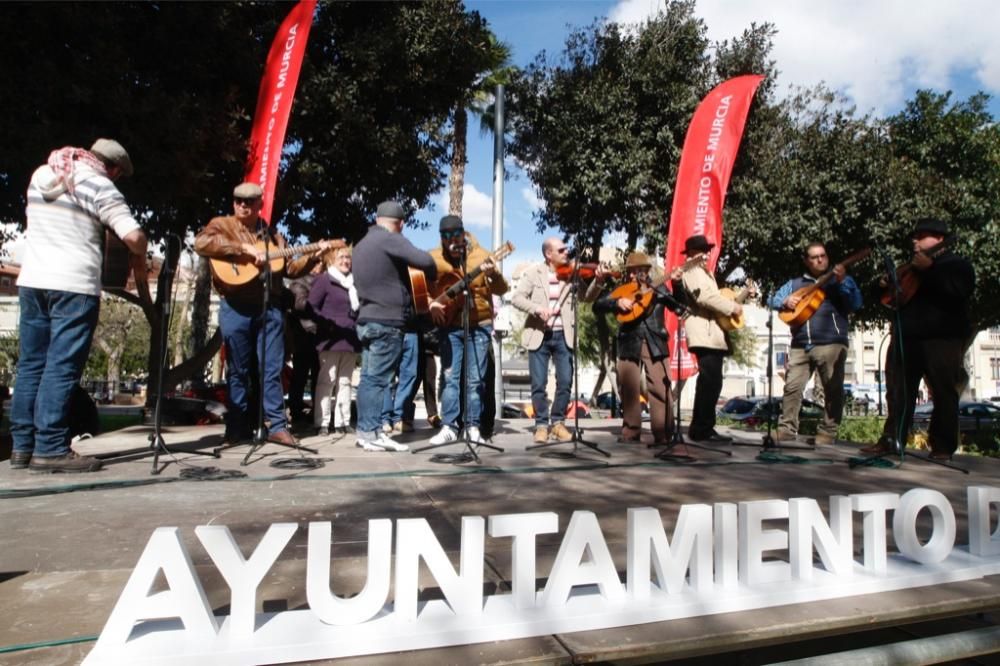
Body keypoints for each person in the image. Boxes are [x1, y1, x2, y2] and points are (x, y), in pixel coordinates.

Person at [11, 139, 149, 473]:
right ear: (113, 169)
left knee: (31, 366)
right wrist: (141, 250)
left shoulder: (42, 174)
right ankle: (51, 448)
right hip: (73, 286)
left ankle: (22, 447)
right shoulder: (99, 185)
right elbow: (132, 235)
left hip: (33, 281)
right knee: (61, 366)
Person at [194, 182, 332, 446]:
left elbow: (290, 269)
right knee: (238, 370)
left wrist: (315, 256)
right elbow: (202, 243)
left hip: (270, 308)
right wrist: (242, 249)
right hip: (235, 306)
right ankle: (236, 427)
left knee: (272, 368)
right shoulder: (222, 225)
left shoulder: (273, 236)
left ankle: (278, 426)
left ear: (259, 205)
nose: (242, 205)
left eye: (248, 201)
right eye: (238, 200)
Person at [863, 218, 975, 460]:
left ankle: (942, 447)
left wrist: (930, 270)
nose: (915, 240)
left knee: (943, 392)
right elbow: (882, 295)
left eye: (922, 236)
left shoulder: (956, 265)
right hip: (907, 337)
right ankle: (892, 440)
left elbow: (958, 290)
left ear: (940, 240)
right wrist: (881, 284)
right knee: (898, 392)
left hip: (941, 339)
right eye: (914, 236)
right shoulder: (909, 267)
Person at [352, 201, 438, 452]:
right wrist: (430, 275)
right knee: (379, 380)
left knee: (368, 379)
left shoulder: (361, 245)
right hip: (388, 321)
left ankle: (365, 431)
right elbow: (425, 261)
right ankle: (373, 432)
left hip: (367, 319)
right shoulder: (390, 238)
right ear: (400, 223)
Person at [511, 237, 606, 443]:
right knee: (539, 384)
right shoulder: (533, 273)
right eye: (561, 250)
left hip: (564, 335)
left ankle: (558, 423)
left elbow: (586, 297)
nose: (566, 253)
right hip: (539, 334)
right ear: (548, 254)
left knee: (565, 381)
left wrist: (598, 281)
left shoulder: (571, 273)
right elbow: (517, 298)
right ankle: (542, 425)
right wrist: (537, 309)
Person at [426, 215, 509, 445]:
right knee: (450, 377)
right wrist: (431, 303)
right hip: (450, 326)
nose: (451, 241)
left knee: (476, 381)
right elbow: (422, 287)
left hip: (479, 325)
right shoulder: (434, 258)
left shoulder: (482, 256)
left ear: (463, 234)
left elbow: (502, 288)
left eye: (455, 235)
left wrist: (493, 274)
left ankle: (473, 427)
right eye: (445, 237)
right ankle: (449, 426)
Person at [770, 242, 863, 445]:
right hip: (800, 343)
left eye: (823, 256)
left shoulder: (840, 281)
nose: (820, 259)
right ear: (806, 261)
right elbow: (773, 299)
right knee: (792, 387)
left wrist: (843, 281)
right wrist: (784, 302)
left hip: (831, 342)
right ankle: (786, 430)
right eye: (814, 257)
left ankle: (828, 432)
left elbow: (855, 303)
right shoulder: (795, 284)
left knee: (832, 389)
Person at [593, 253, 690, 445]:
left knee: (660, 388)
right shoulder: (623, 290)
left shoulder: (659, 287)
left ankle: (663, 435)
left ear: (646, 271)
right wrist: (616, 302)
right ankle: (631, 431)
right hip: (629, 341)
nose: (633, 275)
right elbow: (597, 306)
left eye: (638, 271)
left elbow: (680, 307)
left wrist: (677, 284)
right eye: (631, 272)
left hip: (654, 341)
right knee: (628, 388)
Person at [677, 234, 741, 444]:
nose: (707, 254)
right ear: (693, 253)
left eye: (707, 250)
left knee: (712, 382)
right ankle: (702, 429)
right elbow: (704, 297)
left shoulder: (703, 272)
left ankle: (703, 427)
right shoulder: (693, 270)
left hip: (711, 333)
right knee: (710, 381)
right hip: (703, 333)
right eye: (703, 250)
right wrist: (732, 307)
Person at [308, 244, 360, 436]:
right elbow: (311, 307)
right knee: (326, 382)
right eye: (341, 258)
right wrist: (327, 324)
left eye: (348, 257)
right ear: (332, 261)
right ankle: (322, 422)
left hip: (350, 339)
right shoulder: (324, 280)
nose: (346, 261)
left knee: (345, 382)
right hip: (330, 339)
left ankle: (342, 422)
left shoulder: (354, 283)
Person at [286, 262, 323, 424]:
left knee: (319, 376)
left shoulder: (323, 280)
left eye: (322, 263)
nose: (320, 266)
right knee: (300, 375)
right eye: (317, 263)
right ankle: (296, 411)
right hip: (304, 335)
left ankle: (317, 412)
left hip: (320, 335)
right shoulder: (299, 282)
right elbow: (300, 304)